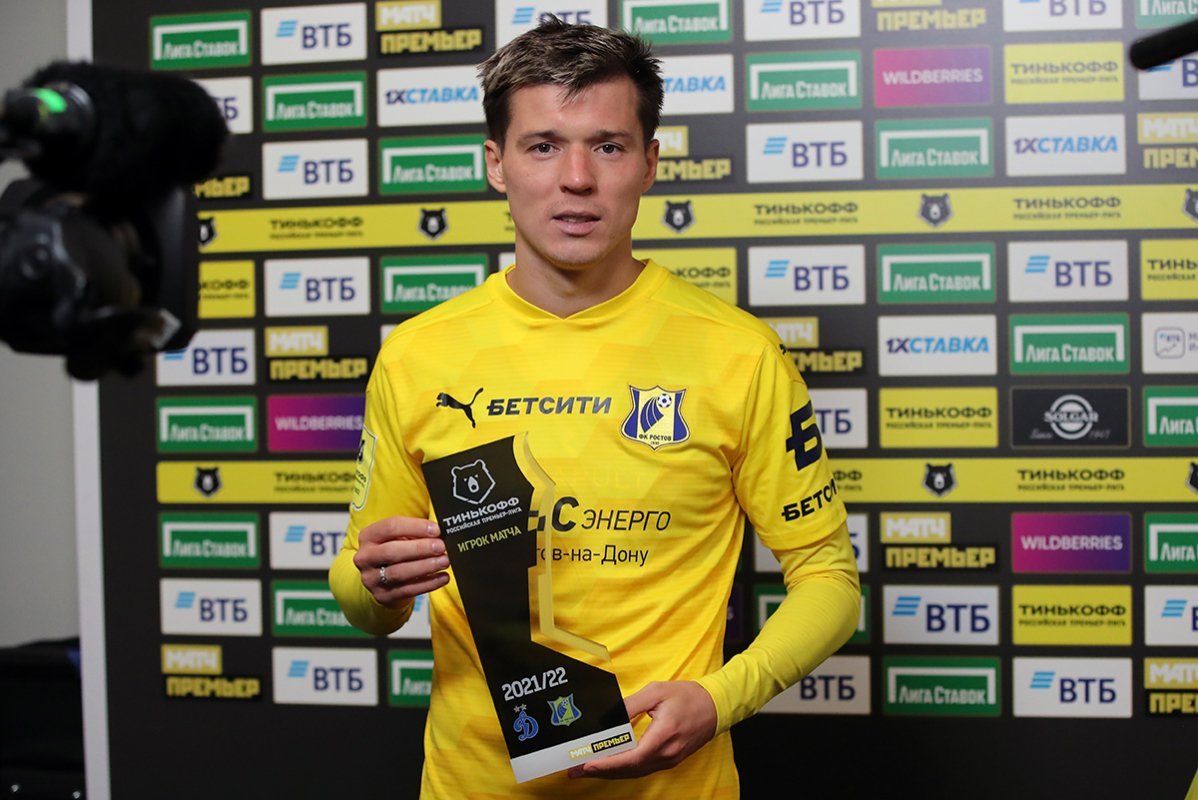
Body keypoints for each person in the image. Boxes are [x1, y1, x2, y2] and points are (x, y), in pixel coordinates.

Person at [329, 16, 860, 799]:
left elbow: (829, 578)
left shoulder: (739, 353)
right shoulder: (418, 354)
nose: (576, 178)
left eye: (607, 146)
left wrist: (720, 700)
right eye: (543, 146)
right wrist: (376, 585)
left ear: (649, 164)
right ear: (496, 164)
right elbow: (361, 594)